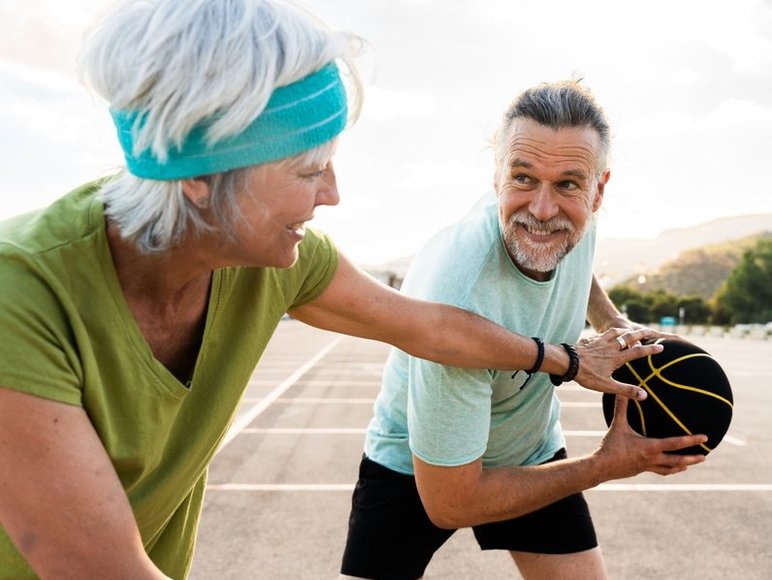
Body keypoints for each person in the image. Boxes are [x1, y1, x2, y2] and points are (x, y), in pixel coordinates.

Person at [0, 2, 662, 579]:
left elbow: (431, 328)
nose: (334, 193)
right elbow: (101, 571)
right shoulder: (18, 297)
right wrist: (601, 456)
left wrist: (569, 360)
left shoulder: (276, 258)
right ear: (201, 175)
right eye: (308, 169)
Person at [339, 81, 709, 580]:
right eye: (523, 178)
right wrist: (605, 463)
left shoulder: (576, 218)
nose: (541, 209)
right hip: (417, 464)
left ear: (599, 190)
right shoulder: (458, 292)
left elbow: (577, 248)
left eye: (569, 185)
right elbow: (451, 502)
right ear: (496, 177)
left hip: (528, 447)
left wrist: (611, 321)